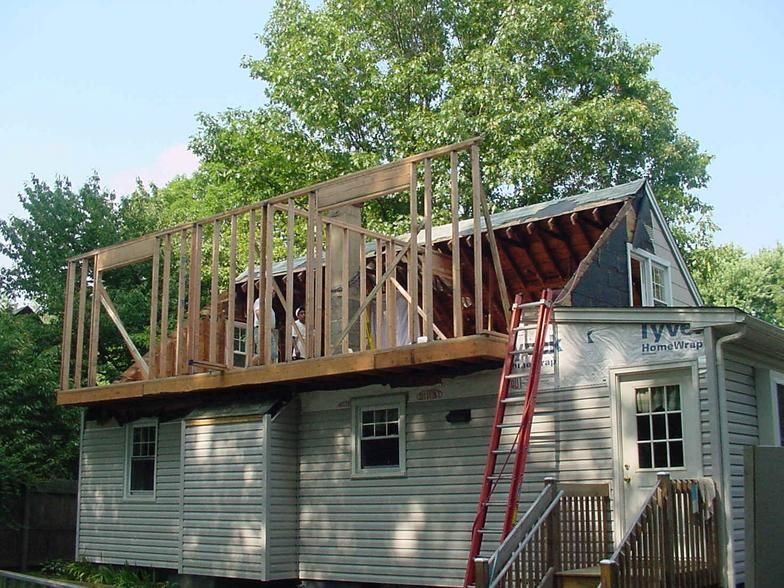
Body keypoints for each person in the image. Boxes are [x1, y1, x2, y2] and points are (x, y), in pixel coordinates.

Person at [254, 297, 279, 363]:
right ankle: (249, 366)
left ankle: (270, 371)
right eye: (272, 290)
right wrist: (265, 327)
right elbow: (258, 312)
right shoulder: (260, 300)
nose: (274, 293)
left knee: (272, 354)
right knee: (263, 354)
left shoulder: (268, 304)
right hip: (263, 329)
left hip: (269, 330)